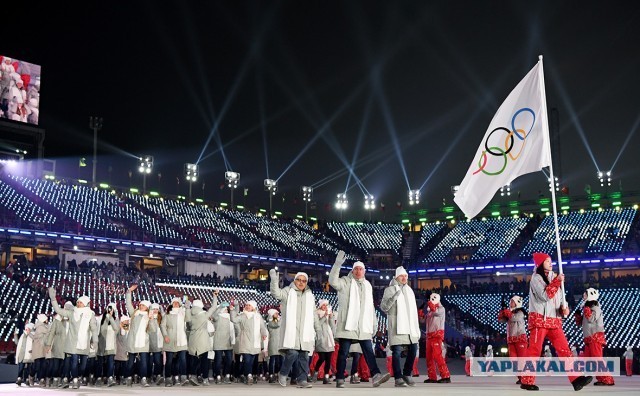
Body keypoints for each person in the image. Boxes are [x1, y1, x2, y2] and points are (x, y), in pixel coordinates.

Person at [520, 253, 592, 391]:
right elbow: (545, 296)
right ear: (540, 264)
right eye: (547, 261)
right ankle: (527, 381)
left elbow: (558, 300)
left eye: (550, 260)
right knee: (534, 350)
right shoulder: (536, 278)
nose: (550, 262)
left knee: (565, 349)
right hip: (539, 320)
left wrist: (564, 310)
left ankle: (576, 379)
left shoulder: (555, 277)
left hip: (554, 321)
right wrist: (558, 281)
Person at [329, 251, 391, 388]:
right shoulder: (345, 282)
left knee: (368, 351)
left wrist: (374, 324)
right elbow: (332, 281)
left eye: (360, 269)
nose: (358, 271)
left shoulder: (368, 285)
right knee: (344, 352)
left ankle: (376, 375)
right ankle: (340, 377)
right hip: (348, 324)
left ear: (364, 271)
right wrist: (337, 264)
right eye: (356, 269)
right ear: (353, 270)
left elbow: (370, 307)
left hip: (363, 326)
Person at [269, 269, 317, 388]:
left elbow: (314, 313)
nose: (301, 283)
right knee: (292, 353)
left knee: (304, 356)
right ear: (294, 281)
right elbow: (276, 293)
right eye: (299, 280)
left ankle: (302, 380)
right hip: (292, 331)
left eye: (304, 281)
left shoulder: (310, 295)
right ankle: (283, 373)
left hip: (305, 332)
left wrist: (318, 329)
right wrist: (274, 280)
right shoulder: (288, 291)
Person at [48, 288, 99, 390]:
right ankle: (75, 379)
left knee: (83, 365)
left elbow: (93, 329)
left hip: (84, 343)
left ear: (85, 303)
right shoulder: (72, 313)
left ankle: (78, 376)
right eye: (78, 302)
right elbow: (58, 310)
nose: (78, 303)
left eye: (80, 302)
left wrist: (95, 341)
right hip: (72, 343)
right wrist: (53, 299)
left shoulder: (90, 314)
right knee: (74, 362)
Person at [380, 266, 420, 387]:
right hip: (397, 325)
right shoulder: (390, 289)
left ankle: (407, 374)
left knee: (413, 349)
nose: (404, 278)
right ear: (396, 277)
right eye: (402, 276)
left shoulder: (410, 290)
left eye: (406, 276)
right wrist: (394, 298)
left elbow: (413, 311)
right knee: (396, 352)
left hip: (410, 326)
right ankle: (398, 377)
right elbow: (384, 307)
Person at [576, 288, 614, 386]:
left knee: (597, 359)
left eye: (585, 294)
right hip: (589, 338)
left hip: (595, 337)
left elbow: (591, 319)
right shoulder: (587, 307)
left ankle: (607, 379)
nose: (583, 296)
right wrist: (578, 316)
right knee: (588, 359)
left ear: (590, 295)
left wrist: (586, 309)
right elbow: (582, 323)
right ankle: (600, 378)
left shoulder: (595, 307)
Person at [125, 284, 157, 387]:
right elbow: (128, 304)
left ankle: (143, 378)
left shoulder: (149, 316)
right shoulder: (134, 313)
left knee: (144, 362)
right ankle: (129, 378)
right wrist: (129, 291)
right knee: (130, 362)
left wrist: (151, 320)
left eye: (143, 305)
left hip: (143, 342)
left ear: (147, 307)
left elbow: (152, 330)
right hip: (133, 341)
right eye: (140, 305)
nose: (140, 306)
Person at [230, 300, 267, 385]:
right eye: (246, 305)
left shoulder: (258, 316)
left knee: (251, 361)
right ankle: (249, 375)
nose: (247, 307)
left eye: (249, 305)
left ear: (253, 307)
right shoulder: (243, 315)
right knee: (247, 359)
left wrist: (264, 334)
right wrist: (232, 310)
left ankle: (249, 375)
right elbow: (234, 320)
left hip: (255, 341)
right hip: (245, 340)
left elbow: (262, 326)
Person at [186, 298, 217, 385]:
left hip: (193, 338)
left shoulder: (189, 313)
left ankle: (193, 376)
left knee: (194, 359)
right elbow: (214, 306)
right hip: (203, 338)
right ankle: (205, 379)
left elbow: (188, 327)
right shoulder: (204, 315)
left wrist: (187, 308)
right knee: (204, 360)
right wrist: (215, 295)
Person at [160, 297, 190, 386]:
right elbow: (162, 325)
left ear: (180, 304)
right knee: (169, 361)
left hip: (181, 340)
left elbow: (188, 319)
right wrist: (165, 335)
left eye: (177, 303)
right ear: (171, 304)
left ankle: (183, 378)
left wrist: (187, 309)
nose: (176, 304)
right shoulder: (167, 315)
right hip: (170, 339)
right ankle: (168, 379)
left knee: (183, 360)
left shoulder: (183, 313)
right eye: (174, 303)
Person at [498, 295, 527, 384]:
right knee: (513, 360)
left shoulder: (521, 312)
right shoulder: (510, 312)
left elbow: (515, 318)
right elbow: (501, 320)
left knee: (522, 359)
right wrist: (502, 311)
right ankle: (520, 377)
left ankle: (524, 377)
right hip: (511, 339)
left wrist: (506, 311)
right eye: (510, 301)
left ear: (517, 302)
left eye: (512, 301)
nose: (510, 303)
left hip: (520, 338)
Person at [424, 292, 451, 383]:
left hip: (436, 335)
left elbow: (436, 312)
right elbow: (423, 320)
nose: (430, 300)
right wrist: (420, 312)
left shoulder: (441, 309)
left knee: (438, 356)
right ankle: (432, 377)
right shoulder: (430, 311)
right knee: (429, 357)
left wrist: (430, 304)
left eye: (433, 298)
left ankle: (445, 376)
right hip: (429, 336)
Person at [311, 300, 336, 384]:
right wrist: (324, 317)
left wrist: (331, 317)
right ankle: (315, 372)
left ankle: (326, 377)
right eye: (323, 305)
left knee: (328, 359)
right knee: (322, 358)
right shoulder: (317, 313)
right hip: (321, 337)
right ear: (320, 306)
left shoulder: (328, 314)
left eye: (326, 305)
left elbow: (332, 326)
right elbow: (318, 324)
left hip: (329, 338)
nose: (325, 306)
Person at [211, 293, 234, 384]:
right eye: (224, 308)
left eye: (226, 308)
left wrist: (235, 306)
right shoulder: (217, 318)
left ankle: (227, 375)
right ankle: (218, 376)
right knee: (218, 360)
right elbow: (214, 315)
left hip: (228, 342)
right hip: (219, 342)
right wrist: (220, 307)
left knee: (229, 360)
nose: (225, 309)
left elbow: (235, 315)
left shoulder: (231, 317)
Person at [97, 303, 119, 387]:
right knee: (100, 363)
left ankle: (109, 377)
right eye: (109, 309)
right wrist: (107, 318)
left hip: (111, 345)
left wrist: (111, 317)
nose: (110, 311)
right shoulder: (101, 320)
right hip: (102, 345)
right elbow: (102, 330)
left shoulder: (116, 320)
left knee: (110, 362)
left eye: (112, 309)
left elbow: (116, 329)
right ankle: (99, 378)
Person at [45, 309, 68, 388]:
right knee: (56, 365)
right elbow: (51, 333)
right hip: (57, 344)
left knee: (62, 365)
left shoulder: (70, 320)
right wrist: (48, 344)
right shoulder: (57, 320)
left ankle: (59, 379)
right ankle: (54, 380)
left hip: (67, 346)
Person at [266, 308, 283, 383]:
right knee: (272, 360)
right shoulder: (270, 322)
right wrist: (282, 318)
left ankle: (277, 374)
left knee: (279, 361)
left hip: (279, 343)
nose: (277, 314)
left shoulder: (278, 320)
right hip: (273, 343)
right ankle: (271, 375)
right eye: (276, 313)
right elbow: (278, 324)